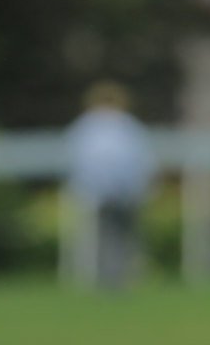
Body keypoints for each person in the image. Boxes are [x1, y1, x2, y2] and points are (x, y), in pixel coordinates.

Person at [66, 82, 154, 291]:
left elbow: (75, 160)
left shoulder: (86, 126)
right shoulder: (127, 126)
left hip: (105, 191)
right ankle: (117, 278)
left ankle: (111, 278)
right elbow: (144, 159)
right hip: (122, 190)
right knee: (119, 236)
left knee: (108, 236)